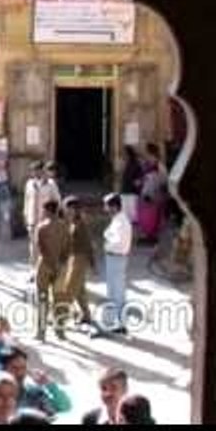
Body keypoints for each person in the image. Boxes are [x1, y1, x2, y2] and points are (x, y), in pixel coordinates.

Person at [0, 346, 72, 417]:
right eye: (14, 368)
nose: (19, 372)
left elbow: (64, 407)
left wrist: (50, 386)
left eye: (23, 367)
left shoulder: (34, 394)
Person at [34, 199, 70, 341]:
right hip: (60, 267)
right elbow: (67, 248)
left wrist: (50, 263)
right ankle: (60, 331)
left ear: (47, 210)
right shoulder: (64, 226)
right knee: (59, 299)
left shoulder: (42, 227)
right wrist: (60, 263)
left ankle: (41, 332)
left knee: (43, 299)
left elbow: (41, 248)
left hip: (45, 266)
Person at [59, 196, 95, 335]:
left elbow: (88, 245)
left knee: (69, 289)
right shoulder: (72, 222)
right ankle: (86, 316)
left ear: (74, 209)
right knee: (80, 291)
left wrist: (92, 264)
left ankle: (60, 318)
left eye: (68, 208)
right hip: (73, 258)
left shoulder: (80, 225)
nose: (66, 210)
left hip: (79, 259)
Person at [101, 193, 132, 334]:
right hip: (114, 258)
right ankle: (113, 321)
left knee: (116, 293)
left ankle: (119, 323)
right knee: (114, 291)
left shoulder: (121, 222)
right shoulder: (117, 220)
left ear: (113, 206)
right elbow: (107, 234)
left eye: (107, 205)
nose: (105, 208)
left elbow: (118, 243)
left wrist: (107, 245)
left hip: (117, 258)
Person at [137, 144, 168, 242]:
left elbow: (163, 179)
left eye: (146, 151)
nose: (145, 154)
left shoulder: (159, 165)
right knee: (145, 215)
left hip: (154, 194)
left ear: (151, 152)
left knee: (153, 216)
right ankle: (148, 234)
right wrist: (141, 181)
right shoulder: (147, 163)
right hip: (146, 192)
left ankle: (152, 235)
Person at [22, 162, 45, 272]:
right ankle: (33, 270)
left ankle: (43, 270)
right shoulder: (29, 184)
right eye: (34, 170)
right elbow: (26, 200)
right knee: (33, 246)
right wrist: (25, 215)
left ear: (42, 170)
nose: (36, 173)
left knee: (44, 246)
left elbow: (57, 201)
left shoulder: (49, 184)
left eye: (38, 170)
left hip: (44, 220)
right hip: (32, 219)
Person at [120, 145, 143, 224]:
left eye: (124, 153)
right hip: (125, 191)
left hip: (132, 192)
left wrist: (136, 183)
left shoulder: (136, 164)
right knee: (126, 215)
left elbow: (139, 178)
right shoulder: (126, 164)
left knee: (133, 215)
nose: (123, 155)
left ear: (128, 154)